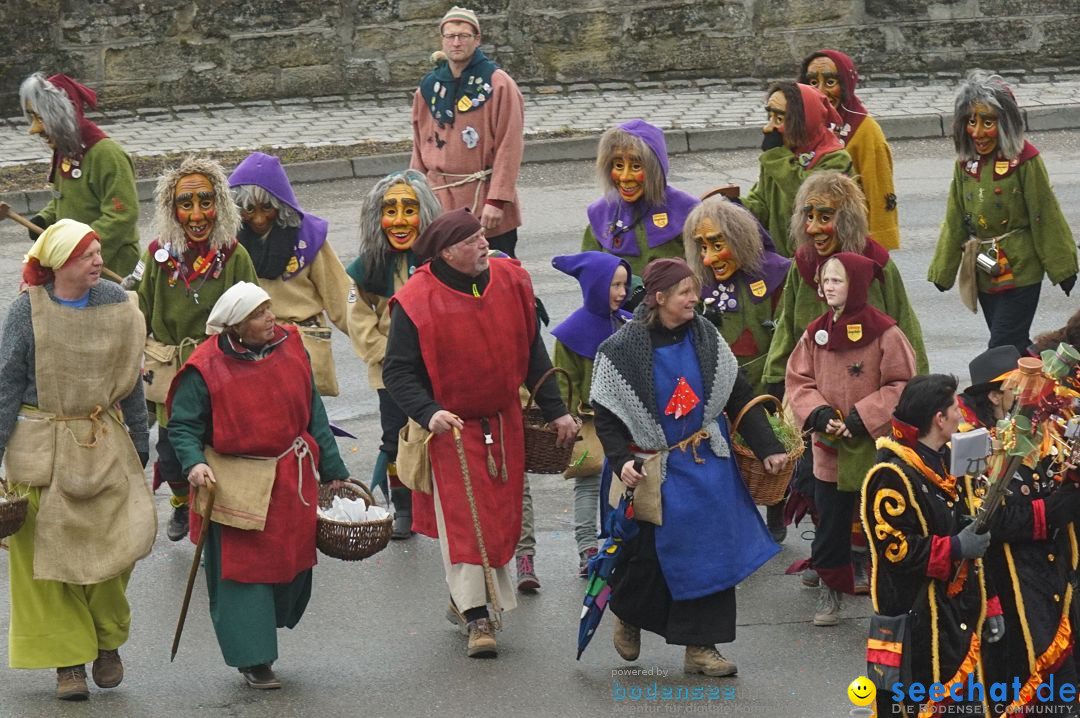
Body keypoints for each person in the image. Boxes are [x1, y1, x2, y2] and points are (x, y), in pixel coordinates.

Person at [382, 208, 577, 658]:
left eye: (483, 237)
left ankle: (466, 597)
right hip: (450, 428)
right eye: (473, 241)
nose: (485, 244)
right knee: (465, 524)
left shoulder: (510, 280)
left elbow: (532, 350)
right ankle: (477, 618)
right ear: (448, 252)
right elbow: (398, 373)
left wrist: (558, 411)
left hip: (504, 421)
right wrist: (429, 413)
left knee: (499, 522)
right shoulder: (416, 300)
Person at [591, 258, 788, 677]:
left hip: (706, 465)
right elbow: (606, 416)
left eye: (694, 291)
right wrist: (622, 460)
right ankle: (627, 612)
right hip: (650, 469)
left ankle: (702, 647)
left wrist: (767, 446)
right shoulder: (621, 351)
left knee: (711, 555)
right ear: (660, 298)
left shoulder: (707, 338)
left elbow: (738, 395)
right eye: (685, 292)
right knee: (649, 559)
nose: (694, 299)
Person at [167, 282, 349, 690]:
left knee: (289, 565)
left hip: (290, 475)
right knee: (243, 574)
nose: (271, 318)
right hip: (234, 481)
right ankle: (255, 659)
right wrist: (194, 464)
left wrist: (334, 467)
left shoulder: (291, 344)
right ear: (235, 327)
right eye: (259, 314)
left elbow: (312, 408)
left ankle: (269, 626)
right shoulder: (204, 367)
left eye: (269, 309)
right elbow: (183, 426)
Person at [0, 219, 154, 701]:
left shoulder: (119, 306)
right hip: (40, 447)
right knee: (47, 561)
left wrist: (142, 443)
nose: (97, 262)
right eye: (86, 254)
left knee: (115, 547)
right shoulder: (26, 312)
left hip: (100, 442)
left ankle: (106, 642)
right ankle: (69, 665)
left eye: (98, 252)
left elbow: (129, 380)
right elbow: (6, 384)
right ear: (59, 262)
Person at [785, 253, 916, 626]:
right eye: (825, 280)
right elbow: (799, 381)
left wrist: (862, 417)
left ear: (856, 285)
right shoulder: (815, 333)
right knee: (830, 523)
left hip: (872, 445)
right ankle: (831, 593)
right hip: (830, 447)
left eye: (837, 280)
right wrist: (821, 415)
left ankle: (886, 595)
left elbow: (901, 383)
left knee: (880, 521)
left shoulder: (886, 332)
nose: (828, 287)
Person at [134, 158, 258, 542]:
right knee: (171, 454)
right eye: (186, 204)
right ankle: (180, 502)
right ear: (172, 210)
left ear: (220, 204)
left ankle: (217, 516)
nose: (197, 214)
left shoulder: (234, 255)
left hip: (221, 370)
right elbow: (136, 310)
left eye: (206, 202)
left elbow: (256, 308)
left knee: (216, 447)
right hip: (172, 371)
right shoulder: (156, 255)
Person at [861, 374, 999, 716]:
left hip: (952, 615)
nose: (962, 416)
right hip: (914, 621)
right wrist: (954, 546)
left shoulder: (945, 460)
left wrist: (990, 603)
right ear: (939, 418)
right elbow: (895, 551)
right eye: (955, 408)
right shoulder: (890, 476)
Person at [958, 346, 1080, 713]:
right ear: (995, 395)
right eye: (1019, 385)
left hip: (1056, 572)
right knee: (1025, 678)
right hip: (1012, 580)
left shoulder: (1044, 430)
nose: (1033, 391)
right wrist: (1063, 502)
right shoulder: (975, 444)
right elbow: (997, 519)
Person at [929, 71, 1078, 355]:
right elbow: (954, 219)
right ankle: (1034, 390)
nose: (978, 131)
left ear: (1006, 123)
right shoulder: (965, 164)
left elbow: (1045, 214)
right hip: (984, 269)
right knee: (1013, 346)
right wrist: (943, 270)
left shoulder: (1026, 161)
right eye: (971, 121)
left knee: (1001, 346)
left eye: (988, 122)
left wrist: (1063, 268)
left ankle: (991, 396)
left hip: (1022, 270)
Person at [347, 169, 442, 539]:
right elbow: (358, 317)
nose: (400, 220)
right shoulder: (368, 266)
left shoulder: (440, 258)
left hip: (435, 365)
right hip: (390, 370)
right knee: (394, 437)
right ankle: (402, 506)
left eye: (409, 209)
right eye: (390, 210)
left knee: (438, 431)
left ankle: (437, 501)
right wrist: (385, 355)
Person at [228, 152, 352, 396]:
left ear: (280, 204)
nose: (259, 218)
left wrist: (373, 342)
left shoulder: (308, 239)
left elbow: (341, 296)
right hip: (250, 349)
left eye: (267, 208)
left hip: (302, 345)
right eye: (249, 209)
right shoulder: (229, 244)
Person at [410, 6, 524, 258]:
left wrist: (497, 201)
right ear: (442, 40)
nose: (456, 42)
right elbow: (419, 147)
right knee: (442, 278)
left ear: (477, 39)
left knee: (494, 277)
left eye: (464, 36)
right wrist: (415, 193)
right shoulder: (428, 88)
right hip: (439, 202)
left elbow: (510, 146)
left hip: (483, 200)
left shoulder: (499, 84)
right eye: (450, 36)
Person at [549, 251, 632, 575]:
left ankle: (617, 540)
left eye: (625, 285)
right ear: (596, 286)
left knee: (624, 482)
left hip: (625, 421)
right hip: (588, 423)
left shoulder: (626, 323)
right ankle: (587, 548)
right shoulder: (571, 333)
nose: (622, 293)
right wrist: (568, 417)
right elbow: (563, 381)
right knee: (587, 482)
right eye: (614, 285)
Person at [19, 72, 140, 277]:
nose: (35, 129)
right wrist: (45, 218)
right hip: (77, 267)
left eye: (41, 118)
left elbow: (121, 215)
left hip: (111, 267)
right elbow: (68, 199)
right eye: (33, 118)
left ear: (63, 116)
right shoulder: (67, 152)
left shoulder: (106, 154)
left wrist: (80, 248)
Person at [682, 195, 789, 395]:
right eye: (703, 248)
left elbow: (786, 338)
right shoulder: (699, 283)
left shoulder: (778, 274)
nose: (707, 259)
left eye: (717, 246)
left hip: (768, 388)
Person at [799, 50, 900, 250]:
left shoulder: (865, 130)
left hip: (848, 244)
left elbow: (879, 194)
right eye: (812, 82)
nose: (820, 91)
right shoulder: (801, 126)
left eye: (830, 82)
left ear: (846, 84)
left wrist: (877, 252)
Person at [740, 81, 853, 257]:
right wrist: (738, 207)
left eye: (779, 119)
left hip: (824, 260)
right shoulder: (780, 155)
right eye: (769, 117)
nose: (768, 127)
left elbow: (805, 196)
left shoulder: (835, 159)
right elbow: (762, 202)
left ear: (803, 122)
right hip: (785, 261)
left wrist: (775, 156)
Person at [581, 119, 700, 277]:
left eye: (636, 166)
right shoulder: (601, 213)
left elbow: (702, 273)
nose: (624, 177)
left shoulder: (687, 210)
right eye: (618, 166)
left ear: (655, 169)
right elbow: (590, 274)